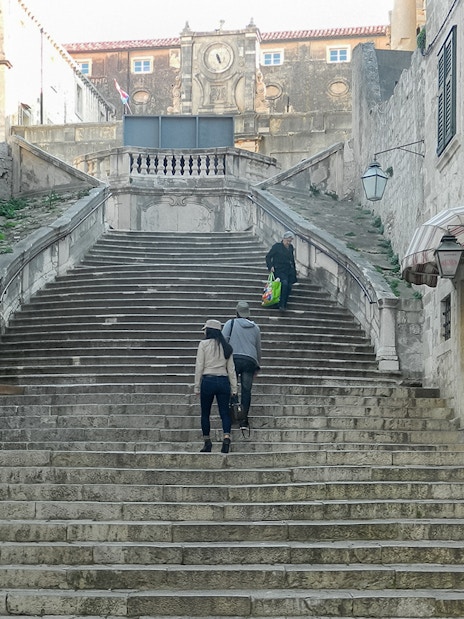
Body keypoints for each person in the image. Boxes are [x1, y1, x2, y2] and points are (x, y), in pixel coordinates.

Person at [194, 318, 238, 454]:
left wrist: (196, 386)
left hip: (208, 380)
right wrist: (234, 388)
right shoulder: (227, 347)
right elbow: (231, 369)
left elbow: (199, 366)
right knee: (224, 413)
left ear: (208, 331)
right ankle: (226, 438)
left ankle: (207, 442)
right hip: (223, 381)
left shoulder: (203, 344)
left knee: (205, 413)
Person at [222, 301, 261, 433]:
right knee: (246, 390)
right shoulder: (255, 327)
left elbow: (223, 341)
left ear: (237, 312)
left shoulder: (230, 323)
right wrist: (257, 365)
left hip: (234, 359)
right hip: (250, 360)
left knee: (233, 387)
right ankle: (244, 420)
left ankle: (233, 413)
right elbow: (258, 348)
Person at [265, 231, 297, 310]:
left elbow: (292, 259)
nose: (288, 243)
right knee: (284, 284)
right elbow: (268, 257)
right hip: (279, 270)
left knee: (289, 286)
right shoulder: (277, 246)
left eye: (290, 241)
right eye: (287, 240)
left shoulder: (290, 248)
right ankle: (281, 305)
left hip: (288, 271)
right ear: (283, 239)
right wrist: (270, 266)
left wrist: (294, 270)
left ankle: (283, 303)